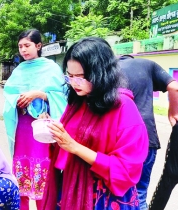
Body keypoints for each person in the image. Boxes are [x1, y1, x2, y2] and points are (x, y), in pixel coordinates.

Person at [41, 37, 149, 209]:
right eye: (70, 76)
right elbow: (66, 145)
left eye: (81, 77)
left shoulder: (123, 106)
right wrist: (53, 131)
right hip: (71, 186)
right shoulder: (77, 101)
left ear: (101, 73)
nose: (74, 83)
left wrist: (75, 147)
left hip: (102, 198)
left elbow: (126, 168)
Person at [3, 29, 67, 210]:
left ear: (38, 46)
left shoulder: (52, 68)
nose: (23, 50)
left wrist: (40, 94)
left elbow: (62, 96)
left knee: (43, 172)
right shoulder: (19, 70)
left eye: (27, 45)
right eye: (20, 46)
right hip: (22, 127)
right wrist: (18, 100)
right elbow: (8, 95)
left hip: (42, 128)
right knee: (21, 172)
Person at [118, 55, 178, 210]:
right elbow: (174, 86)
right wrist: (174, 113)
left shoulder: (108, 69)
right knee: (140, 194)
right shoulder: (147, 64)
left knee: (116, 196)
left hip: (119, 142)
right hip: (146, 139)